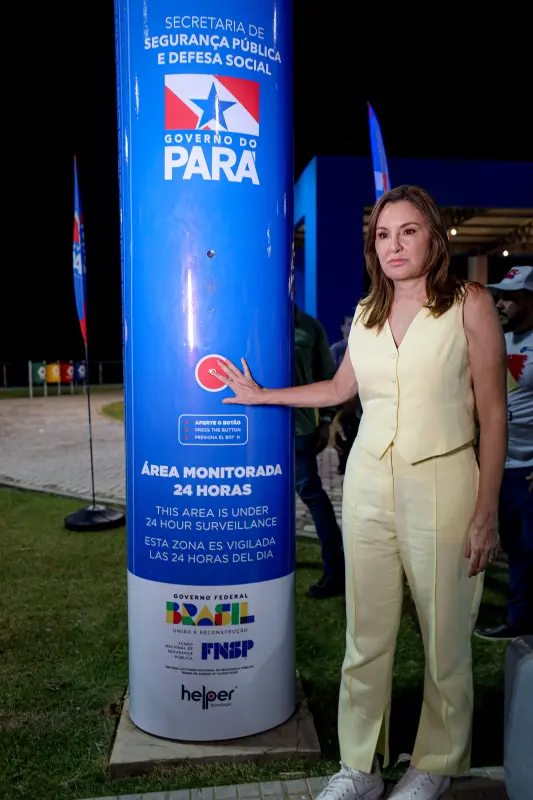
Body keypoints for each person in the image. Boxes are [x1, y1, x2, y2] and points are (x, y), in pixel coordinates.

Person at [211, 185, 507, 800]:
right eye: (383, 234)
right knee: (365, 635)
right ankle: (360, 768)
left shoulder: (470, 304)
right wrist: (262, 396)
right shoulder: (369, 310)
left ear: (434, 237)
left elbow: (494, 413)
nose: (394, 245)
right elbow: (338, 389)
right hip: (368, 485)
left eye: (408, 231)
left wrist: (486, 512)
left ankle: (435, 763)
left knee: (445, 637)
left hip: (445, 482)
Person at [476, 265, 533, 640]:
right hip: (499, 465)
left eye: (510, 297)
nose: (499, 303)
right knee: (514, 546)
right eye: (499, 296)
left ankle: (520, 619)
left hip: (529, 468)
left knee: (528, 548)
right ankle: (519, 616)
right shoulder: (495, 338)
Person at [293, 303, 345, 599]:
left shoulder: (310, 327)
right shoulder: (253, 320)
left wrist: (326, 421)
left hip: (298, 429)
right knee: (261, 497)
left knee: (311, 494)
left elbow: (328, 376)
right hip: (256, 434)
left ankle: (336, 569)